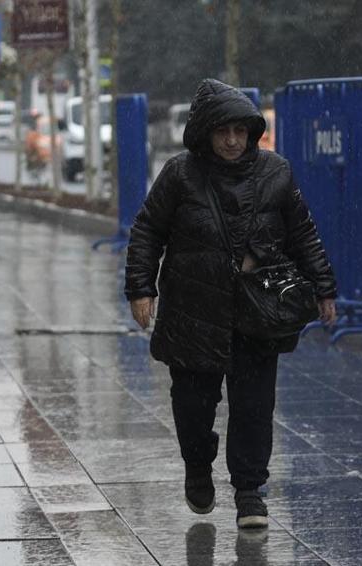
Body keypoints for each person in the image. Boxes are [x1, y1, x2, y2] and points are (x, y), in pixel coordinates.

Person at [125, 79, 337, 529]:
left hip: (256, 312)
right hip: (193, 311)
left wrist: (324, 287)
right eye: (222, 131)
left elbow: (302, 233)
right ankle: (198, 466)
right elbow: (147, 230)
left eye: (240, 131)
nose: (232, 141)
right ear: (204, 133)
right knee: (193, 406)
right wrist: (141, 289)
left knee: (254, 407)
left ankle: (249, 492)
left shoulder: (276, 172)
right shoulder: (180, 175)